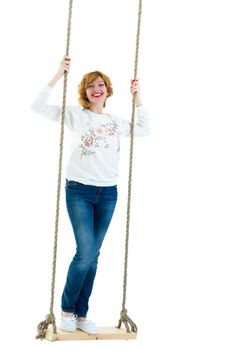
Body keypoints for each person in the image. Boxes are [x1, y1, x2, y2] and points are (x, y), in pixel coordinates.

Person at [31, 56, 150, 334]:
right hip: (80, 191)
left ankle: (81, 314)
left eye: (101, 84)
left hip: (108, 193)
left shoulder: (115, 122)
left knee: (93, 255)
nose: (96, 89)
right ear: (84, 93)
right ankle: (67, 310)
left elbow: (145, 129)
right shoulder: (76, 115)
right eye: (90, 86)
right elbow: (37, 106)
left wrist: (138, 98)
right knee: (85, 252)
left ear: (108, 90)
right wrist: (57, 74)